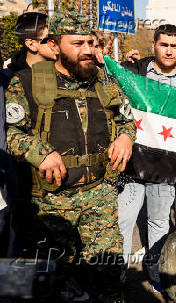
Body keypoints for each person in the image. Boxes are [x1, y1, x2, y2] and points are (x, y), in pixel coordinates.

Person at [5, 11, 136, 300]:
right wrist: (42, 154)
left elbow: (127, 120)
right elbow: (13, 135)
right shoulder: (25, 82)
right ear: (54, 46)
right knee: (53, 282)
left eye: (91, 42)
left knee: (109, 277)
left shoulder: (105, 80)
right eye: (77, 43)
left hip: (100, 197)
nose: (88, 50)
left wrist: (126, 136)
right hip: (52, 202)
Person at [118, 24, 176, 292]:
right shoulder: (134, 71)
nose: (168, 50)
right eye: (163, 44)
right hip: (132, 163)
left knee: (158, 222)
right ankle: (115, 277)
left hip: (165, 168)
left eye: (174, 46)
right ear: (153, 45)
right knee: (124, 221)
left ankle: (156, 274)